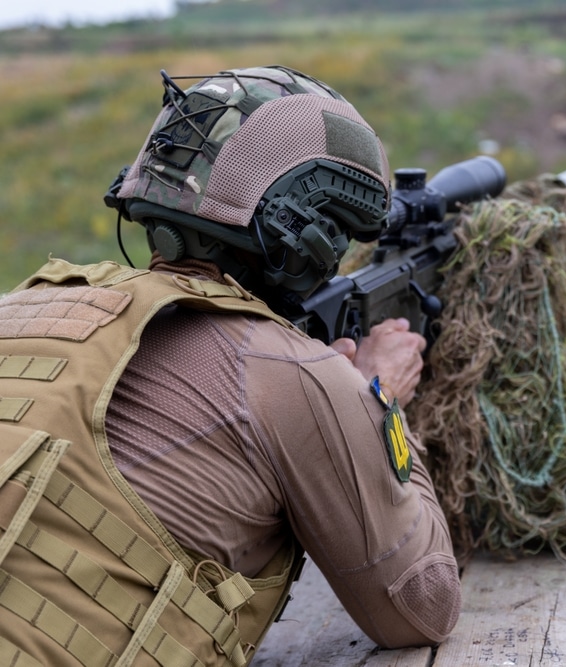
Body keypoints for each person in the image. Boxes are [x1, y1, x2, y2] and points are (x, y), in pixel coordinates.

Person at [0, 65, 461, 666]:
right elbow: (423, 608)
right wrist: (376, 398)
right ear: (306, 235)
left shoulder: (24, 309)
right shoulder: (287, 372)